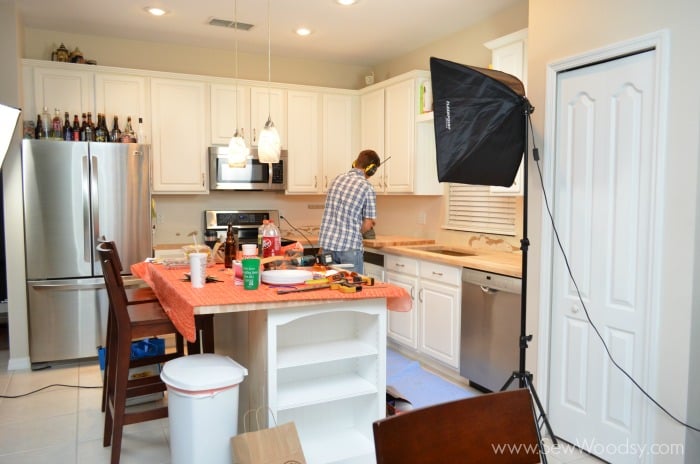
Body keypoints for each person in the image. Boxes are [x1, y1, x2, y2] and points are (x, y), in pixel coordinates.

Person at [318, 149, 381, 274]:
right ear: (371, 169)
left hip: (327, 247)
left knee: (330, 289)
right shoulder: (367, 187)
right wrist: (357, 231)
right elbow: (368, 223)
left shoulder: (336, 180)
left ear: (355, 163)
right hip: (349, 248)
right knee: (353, 289)